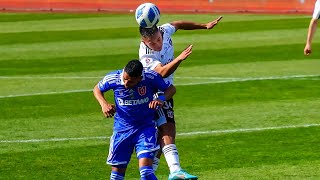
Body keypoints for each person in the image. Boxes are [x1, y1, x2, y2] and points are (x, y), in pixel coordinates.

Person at [138, 16, 223, 180]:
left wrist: (204, 25)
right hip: (154, 92)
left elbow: (178, 24)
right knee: (167, 129)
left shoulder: (164, 30)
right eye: (152, 43)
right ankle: (175, 171)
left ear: (159, 33)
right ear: (144, 41)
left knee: (162, 134)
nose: (157, 44)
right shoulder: (145, 54)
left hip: (166, 89)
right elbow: (162, 72)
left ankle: (150, 175)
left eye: (158, 40)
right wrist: (179, 58)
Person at [93, 60, 176, 180]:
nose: (126, 83)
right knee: (116, 176)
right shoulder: (113, 78)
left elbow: (171, 89)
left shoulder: (150, 77)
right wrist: (104, 104)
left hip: (145, 128)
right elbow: (97, 89)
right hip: (122, 129)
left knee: (146, 173)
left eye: (130, 81)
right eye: (125, 78)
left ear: (139, 78)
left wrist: (161, 99)